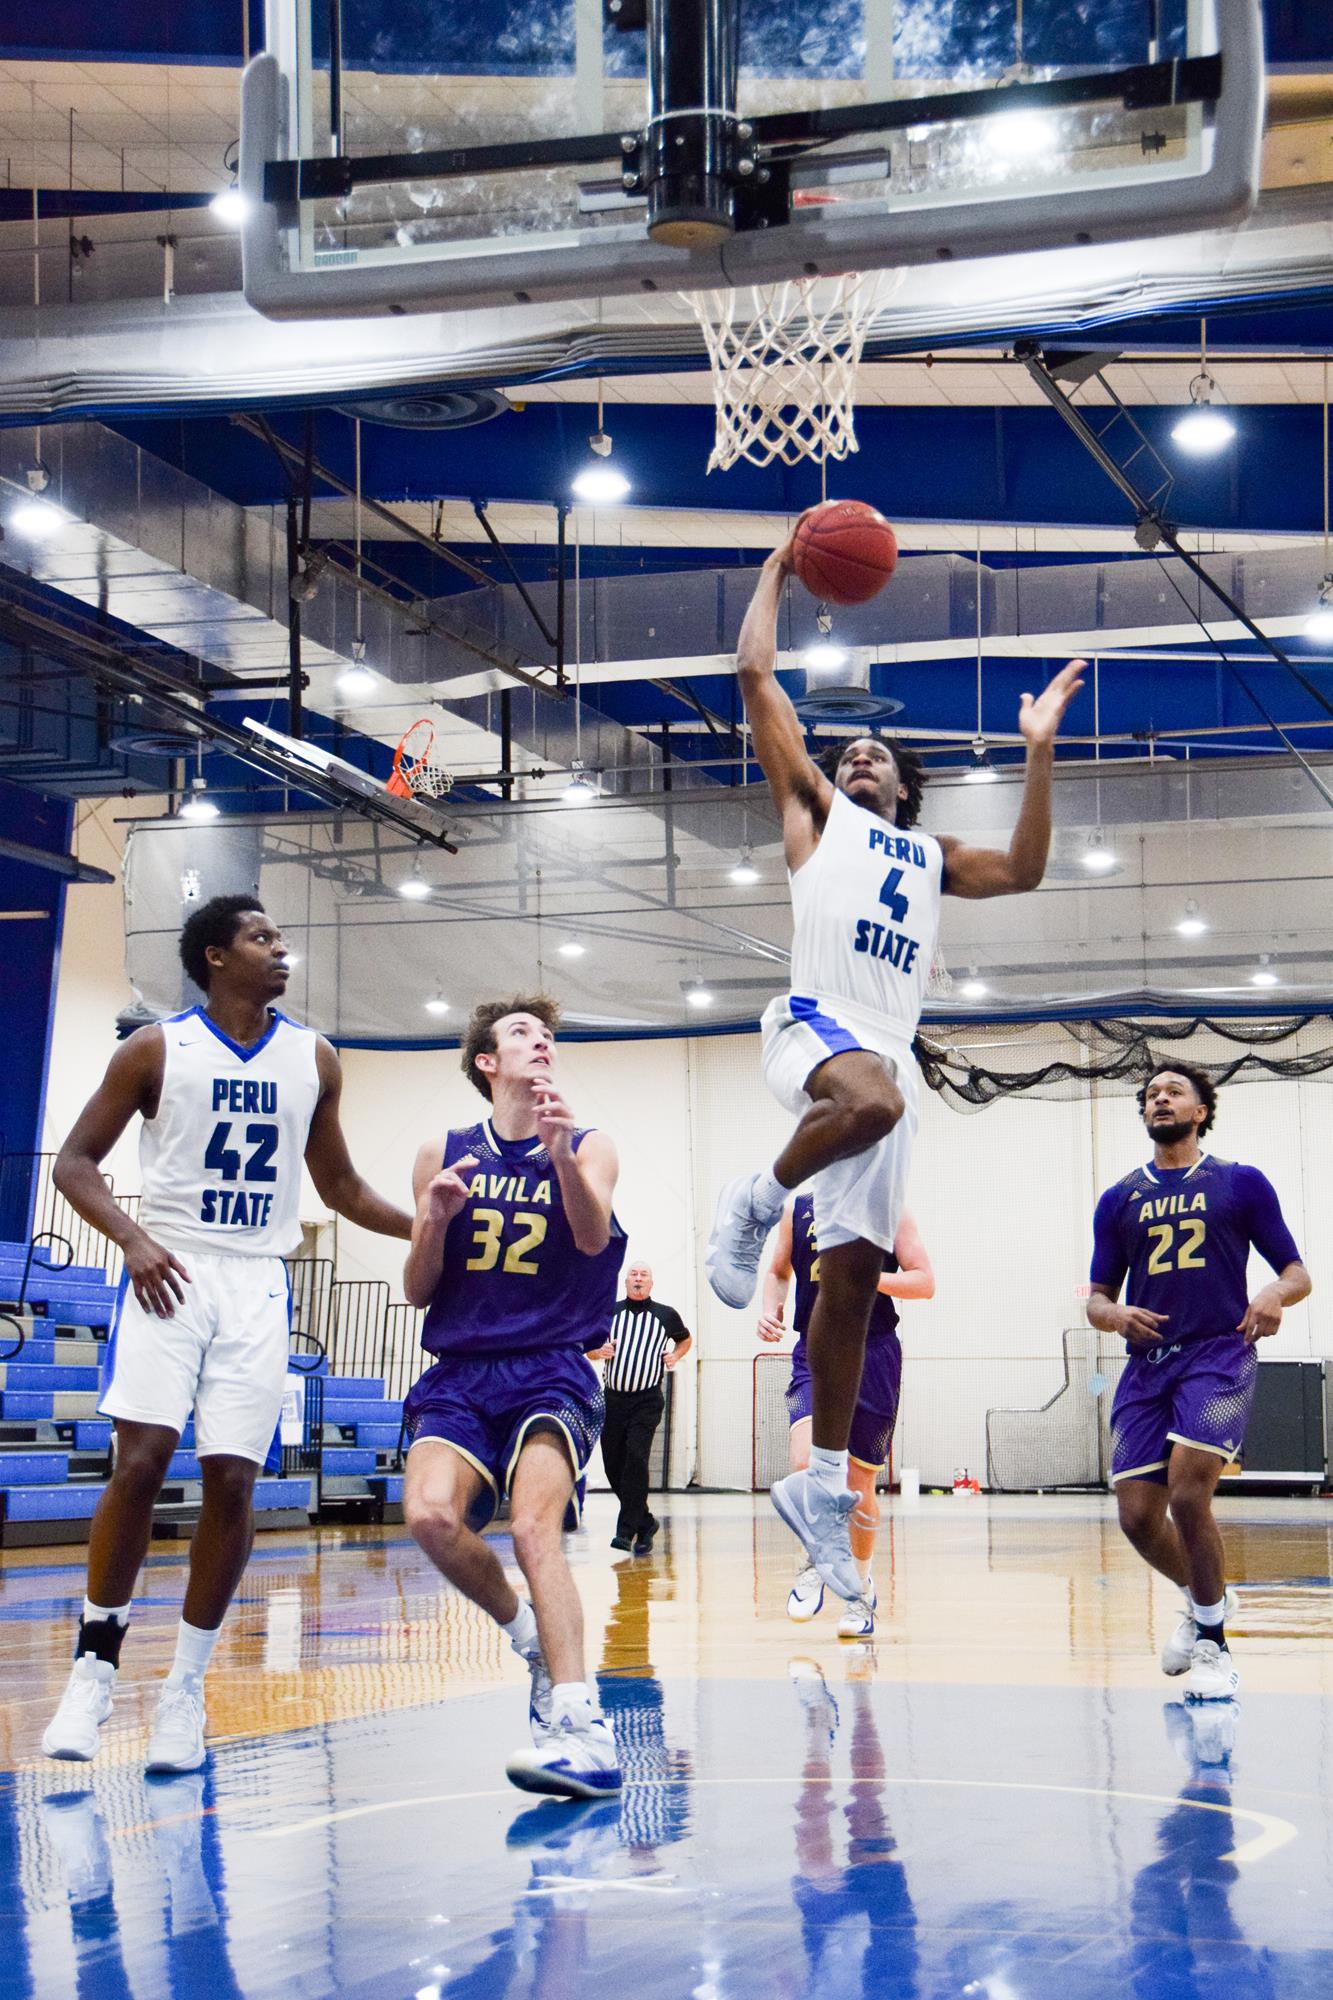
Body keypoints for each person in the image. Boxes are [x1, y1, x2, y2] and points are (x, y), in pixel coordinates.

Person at [707, 523, 1084, 1600]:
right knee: (866, 1097)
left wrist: (1039, 749)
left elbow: (1023, 866)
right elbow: (752, 671)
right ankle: (748, 1199)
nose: (855, 755)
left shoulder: (926, 858)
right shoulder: (813, 814)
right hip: (814, 1029)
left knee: (854, 1278)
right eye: (847, 751)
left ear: (907, 791)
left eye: (875, 754)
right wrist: (777, 567)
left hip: (882, 1063)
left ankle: (824, 1487)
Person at [42, 895, 413, 1773]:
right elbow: (73, 1162)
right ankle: (93, 1672)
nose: (280, 949)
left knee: (235, 1484)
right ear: (215, 956)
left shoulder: (312, 1057)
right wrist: (132, 1240)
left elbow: (341, 1187)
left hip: (256, 1282)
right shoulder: (155, 1047)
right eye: (261, 938)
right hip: (171, 1268)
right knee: (138, 1463)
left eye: (281, 937)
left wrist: (423, 1227)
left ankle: (184, 1691)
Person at [400, 996, 627, 1800]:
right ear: (486, 1063)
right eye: (521, 1033)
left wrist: (562, 1157)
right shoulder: (444, 1150)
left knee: (534, 1526)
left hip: (549, 1365)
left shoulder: (590, 1143)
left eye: (548, 1034)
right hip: (460, 1371)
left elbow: (594, 1238)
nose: (542, 1042)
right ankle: (529, 1637)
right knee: (428, 1516)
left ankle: (581, 1723)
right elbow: (419, 1289)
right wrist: (431, 1221)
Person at [1086, 1061, 1310, 1700]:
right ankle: (1204, 1601)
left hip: (1218, 1353)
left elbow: (1297, 1273)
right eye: (1152, 1093)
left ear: (1201, 1110)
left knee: (1188, 1496)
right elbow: (1097, 1298)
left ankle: (1214, 1646)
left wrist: (1272, 1292)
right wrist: (1114, 1314)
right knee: (1135, 1517)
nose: (1160, 1098)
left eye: (1174, 1091)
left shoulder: (1239, 1183)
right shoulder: (1119, 1198)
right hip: (1146, 1366)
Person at [758, 1197, 933, 1635]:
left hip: (873, 1351)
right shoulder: (795, 1210)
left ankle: (858, 1587)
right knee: (805, 1462)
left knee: (858, 1483)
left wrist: (872, 1277)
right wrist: (769, 1308)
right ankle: (814, 1563)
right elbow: (779, 1272)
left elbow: (924, 1282)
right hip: (815, 1347)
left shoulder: (889, 1206)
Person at [589, 1260, 691, 1556]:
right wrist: (599, 1351)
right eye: (633, 1274)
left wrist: (675, 1356)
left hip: (646, 1400)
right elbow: (589, 1347)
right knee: (613, 1466)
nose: (638, 1278)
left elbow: (684, 1340)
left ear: (651, 1283)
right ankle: (645, 1522)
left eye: (643, 1274)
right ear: (625, 1282)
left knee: (635, 1458)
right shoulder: (609, 1313)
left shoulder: (665, 1315)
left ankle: (626, 1531)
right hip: (613, 1399)